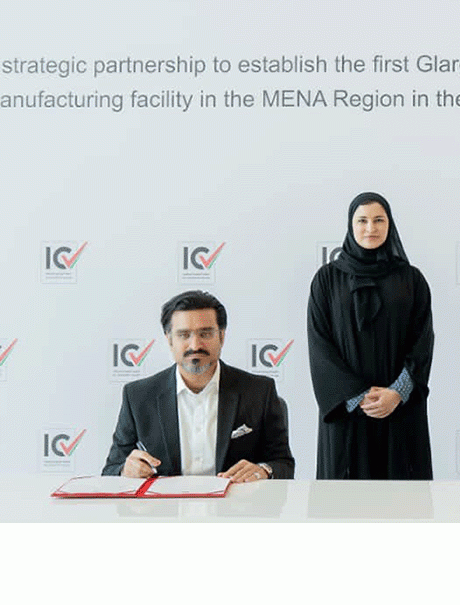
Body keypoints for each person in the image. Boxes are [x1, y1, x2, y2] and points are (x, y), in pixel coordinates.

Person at [307, 192, 435, 479]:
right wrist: (358, 396)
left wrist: (396, 393)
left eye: (379, 220)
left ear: (390, 224)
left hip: (399, 411)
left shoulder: (411, 279)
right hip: (347, 413)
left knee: (402, 504)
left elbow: (422, 343)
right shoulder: (326, 280)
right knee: (345, 507)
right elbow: (320, 346)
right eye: (362, 220)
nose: (371, 228)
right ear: (350, 226)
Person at [102, 290, 295, 481]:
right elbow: (111, 470)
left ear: (222, 336)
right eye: (184, 335)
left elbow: (283, 464)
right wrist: (125, 471)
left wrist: (264, 470)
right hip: (163, 510)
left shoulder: (259, 391)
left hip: (236, 508)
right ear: (169, 340)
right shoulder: (138, 396)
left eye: (206, 333)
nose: (195, 345)